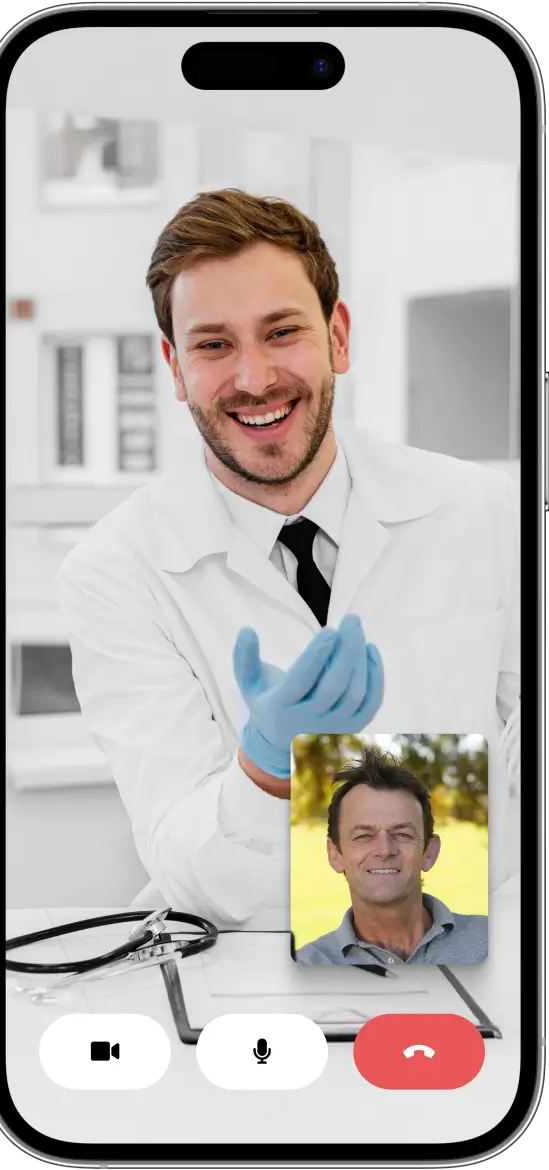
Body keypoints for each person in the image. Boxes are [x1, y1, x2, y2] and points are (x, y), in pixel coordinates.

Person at [56, 188, 519, 928]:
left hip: (467, 941)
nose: (254, 379)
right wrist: (265, 769)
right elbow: (183, 863)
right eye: (214, 345)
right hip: (244, 955)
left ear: (338, 336)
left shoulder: (485, 512)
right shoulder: (114, 573)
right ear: (175, 368)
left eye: (281, 332)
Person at [295, 747, 488, 966]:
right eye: (363, 836)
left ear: (429, 852)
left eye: (402, 834)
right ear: (334, 854)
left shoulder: (500, 943)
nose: (385, 850)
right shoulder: (305, 968)